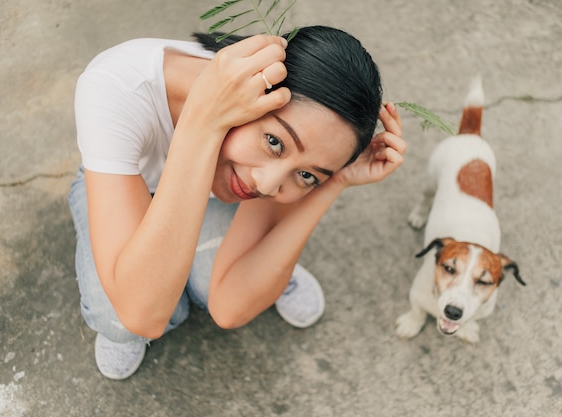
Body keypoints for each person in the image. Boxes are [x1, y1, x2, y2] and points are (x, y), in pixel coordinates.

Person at [68, 25, 405, 380]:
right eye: (275, 142)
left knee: (228, 281)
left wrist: (335, 183)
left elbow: (230, 308)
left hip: (220, 184)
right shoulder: (116, 86)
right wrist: (205, 122)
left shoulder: (263, 168)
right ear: (256, 91)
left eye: (308, 175)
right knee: (123, 318)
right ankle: (211, 266)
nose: (268, 184)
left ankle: (272, 254)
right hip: (123, 180)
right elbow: (141, 313)